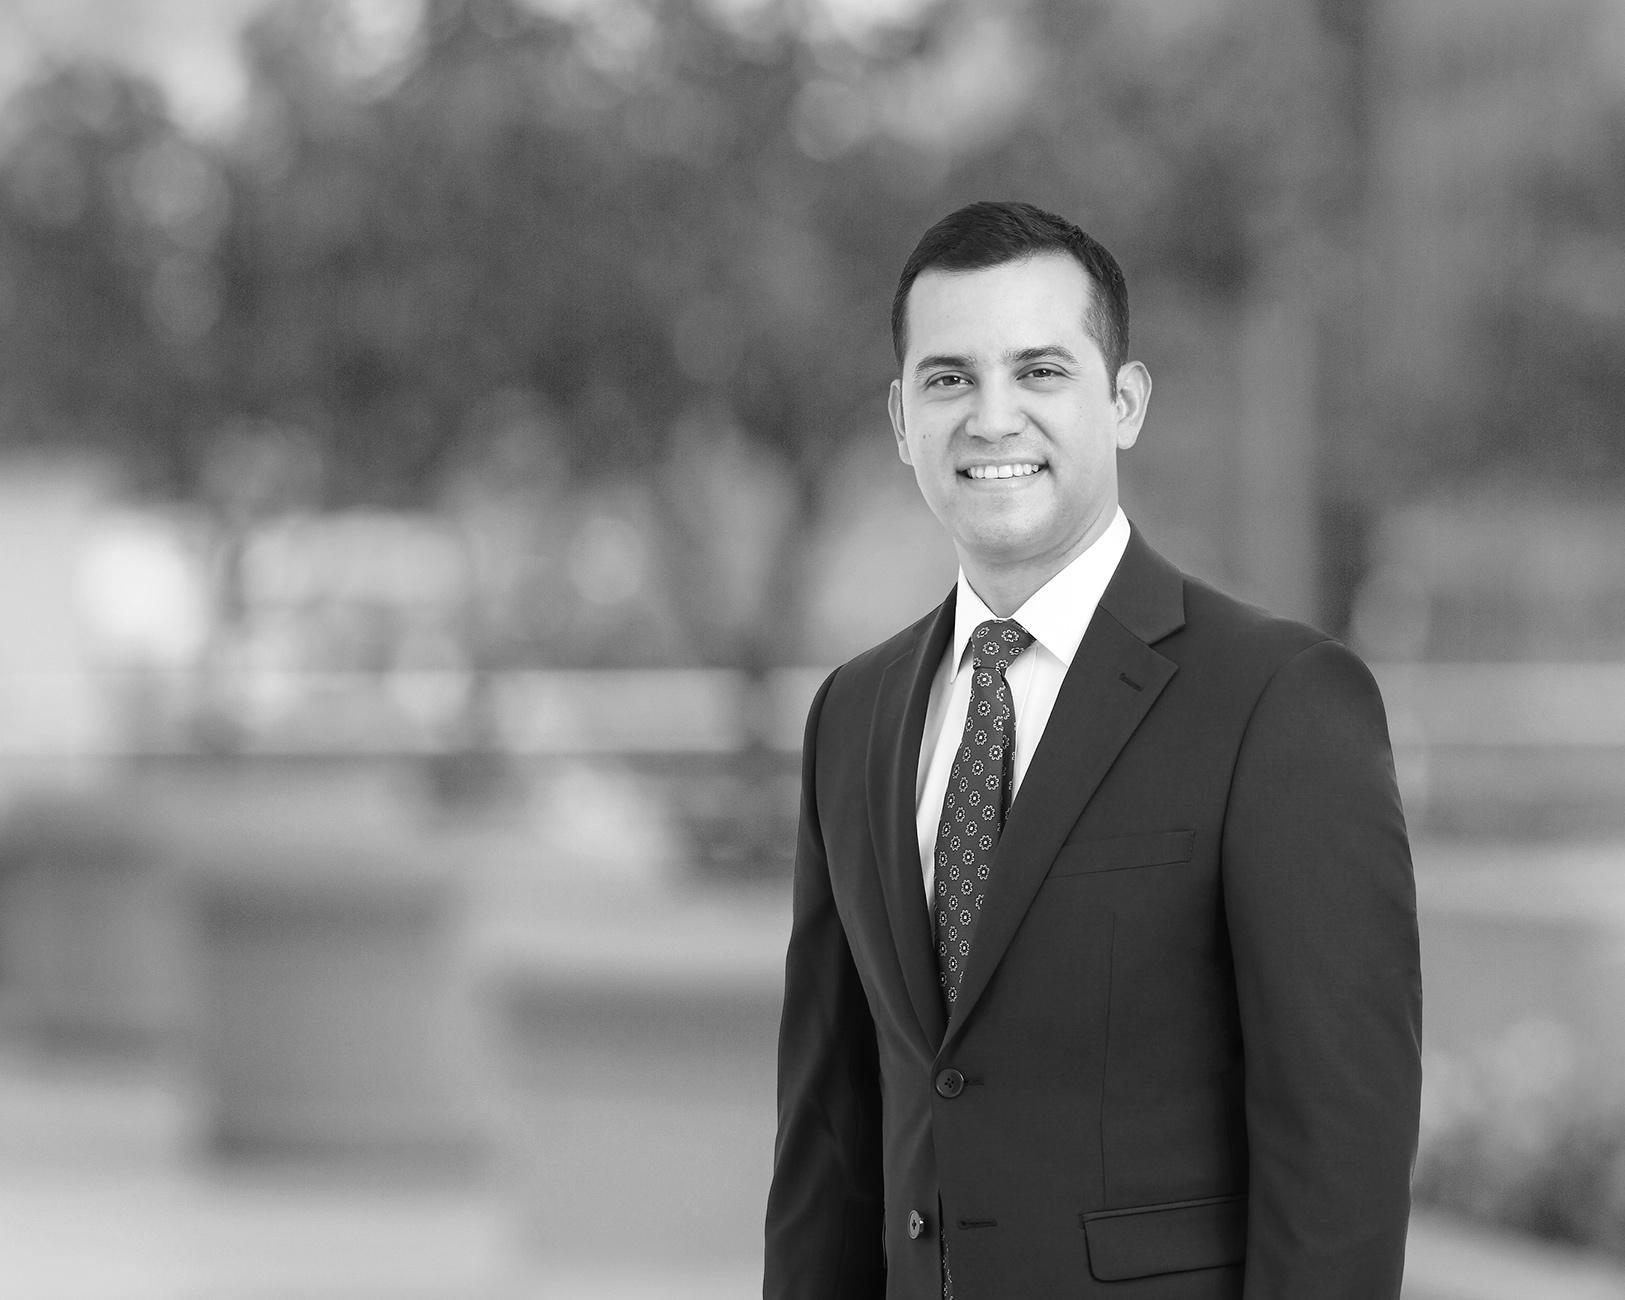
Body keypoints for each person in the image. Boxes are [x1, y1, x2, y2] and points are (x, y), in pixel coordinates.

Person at [762, 201, 1421, 1299]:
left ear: (1122, 403)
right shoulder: (852, 714)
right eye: (948, 378)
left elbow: (1338, 1159)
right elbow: (827, 1140)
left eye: (1039, 371)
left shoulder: (1280, 702)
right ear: (900, 419)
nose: (992, 417)